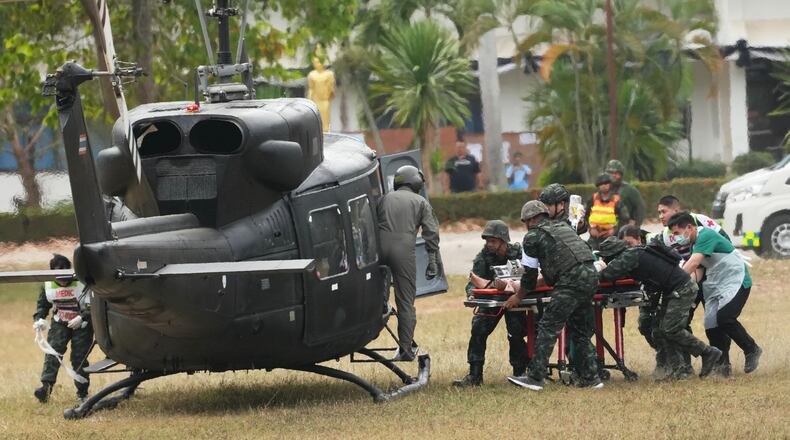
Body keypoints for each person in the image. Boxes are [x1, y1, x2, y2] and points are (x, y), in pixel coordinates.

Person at [504, 201, 602, 391]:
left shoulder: (532, 236)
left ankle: (535, 377)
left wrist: (518, 296)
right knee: (580, 331)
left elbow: (530, 277)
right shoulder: (563, 226)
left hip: (570, 281)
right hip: (591, 276)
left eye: (526, 221)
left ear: (531, 220)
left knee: (548, 327)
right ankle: (592, 378)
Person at [597, 237, 723, 380]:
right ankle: (678, 370)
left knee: (670, 329)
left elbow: (606, 275)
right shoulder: (635, 252)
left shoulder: (628, 257)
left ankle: (707, 352)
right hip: (673, 289)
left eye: (607, 258)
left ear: (612, 254)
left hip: (682, 289)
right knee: (660, 330)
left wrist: (600, 267)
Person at [668, 212, 762, 376]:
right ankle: (722, 367)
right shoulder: (695, 243)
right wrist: (684, 288)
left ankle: (751, 349)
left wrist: (674, 282)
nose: (676, 238)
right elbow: (698, 272)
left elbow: (694, 262)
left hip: (736, 281)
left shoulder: (706, 235)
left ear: (689, 227)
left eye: (677, 233)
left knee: (725, 318)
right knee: (712, 326)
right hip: (716, 285)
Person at [453, 220, 528, 387]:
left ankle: (520, 373)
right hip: (491, 301)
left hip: (515, 299)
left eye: (492, 241)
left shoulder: (518, 253)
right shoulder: (483, 257)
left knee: (515, 333)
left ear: (503, 240)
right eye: (487, 241)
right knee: (478, 329)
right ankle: (475, 375)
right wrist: (471, 294)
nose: (489, 244)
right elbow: (473, 282)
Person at [378, 165, 441, 361]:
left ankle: (380, 312)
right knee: (405, 302)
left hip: (378, 249)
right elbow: (431, 232)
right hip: (404, 251)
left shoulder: (384, 198)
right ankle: (405, 349)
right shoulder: (420, 202)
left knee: (379, 296)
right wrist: (432, 262)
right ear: (416, 181)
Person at [32, 254, 92, 403]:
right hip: (60, 322)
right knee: (52, 354)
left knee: (79, 357)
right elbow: (43, 305)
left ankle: (82, 393)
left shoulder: (82, 283)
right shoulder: (48, 286)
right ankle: (45, 388)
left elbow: (94, 305)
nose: (63, 280)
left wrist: (82, 317)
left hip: (82, 325)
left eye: (66, 274)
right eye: (58, 274)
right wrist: (39, 319)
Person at [585, 173, 630, 251]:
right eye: (601, 184)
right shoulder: (593, 198)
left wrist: (615, 231)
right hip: (594, 236)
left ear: (610, 184)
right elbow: (585, 215)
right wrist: (590, 229)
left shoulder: (617, 200)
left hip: (610, 237)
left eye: (606, 183)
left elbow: (625, 218)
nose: (604, 185)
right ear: (598, 186)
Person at [605, 159, 646, 227]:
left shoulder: (629, 190)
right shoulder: (602, 190)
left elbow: (640, 208)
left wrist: (635, 225)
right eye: (611, 173)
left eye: (616, 173)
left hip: (623, 229)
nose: (613, 176)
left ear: (621, 175)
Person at [306, 47, 336, 132]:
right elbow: (311, 88)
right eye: (315, 62)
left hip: (324, 101)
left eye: (319, 62)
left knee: (325, 123)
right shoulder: (312, 74)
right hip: (315, 101)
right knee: (315, 120)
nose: (317, 64)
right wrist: (309, 100)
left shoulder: (329, 74)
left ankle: (325, 132)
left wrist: (329, 95)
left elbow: (331, 89)